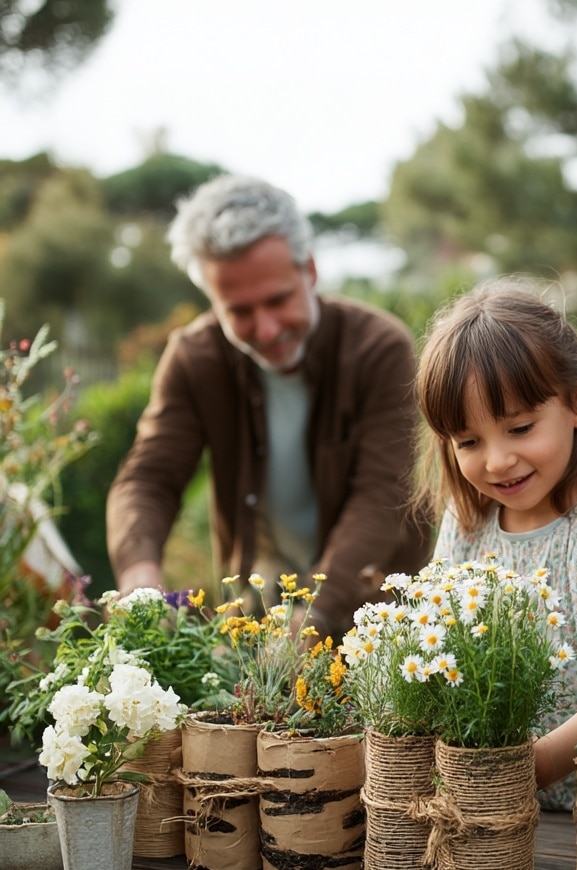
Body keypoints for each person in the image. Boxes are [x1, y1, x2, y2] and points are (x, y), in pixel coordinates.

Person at [106, 173, 431, 637]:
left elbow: (383, 495)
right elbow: (150, 477)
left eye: (279, 300)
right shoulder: (194, 359)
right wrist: (139, 576)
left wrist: (316, 614)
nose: (266, 328)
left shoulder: (378, 348)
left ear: (310, 270)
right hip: (259, 617)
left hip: (378, 617)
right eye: (238, 311)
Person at [415, 282, 577, 810]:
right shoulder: (468, 524)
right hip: (502, 817)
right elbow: (434, 655)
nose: (497, 461)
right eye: (469, 442)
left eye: (520, 427)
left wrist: (518, 773)